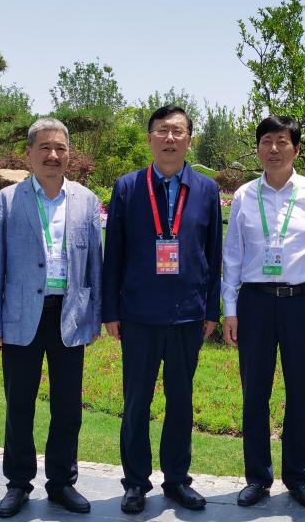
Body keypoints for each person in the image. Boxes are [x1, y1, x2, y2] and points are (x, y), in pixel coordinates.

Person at [101, 104, 223, 514]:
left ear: (189, 139)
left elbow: (213, 255)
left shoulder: (206, 189)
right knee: (137, 402)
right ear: (150, 138)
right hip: (138, 315)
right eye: (162, 131)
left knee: (180, 402)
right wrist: (110, 310)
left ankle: (177, 480)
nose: (170, 138)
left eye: (178, 131)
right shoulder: (128, 187)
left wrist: (211, 310)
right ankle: (135, 483)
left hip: (188, 315)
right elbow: (113, 253)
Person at [0, 118, 103, 517]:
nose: (53, 155)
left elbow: (95, 264)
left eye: (61, 148)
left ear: (69, 154)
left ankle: (62, 483)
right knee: (19, 405)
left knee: (68, 407)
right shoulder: (8, 200)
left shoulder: (86, 200)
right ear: (29, 154)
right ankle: (18, 484)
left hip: (69, 315)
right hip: (21, 317)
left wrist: (95, 316)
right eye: (45, 148)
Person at [221, 115, 305, 510]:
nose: (273, 149)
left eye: (282, 141)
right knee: (254, 392)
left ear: (296, 149)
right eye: (266, 141)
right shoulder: (244, 195)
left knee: (301, 392)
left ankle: (298, 477)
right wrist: (230, 310)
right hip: (255, 303)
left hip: (302, 302)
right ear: (257, 148)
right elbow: (232, 257)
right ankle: (257, 478)